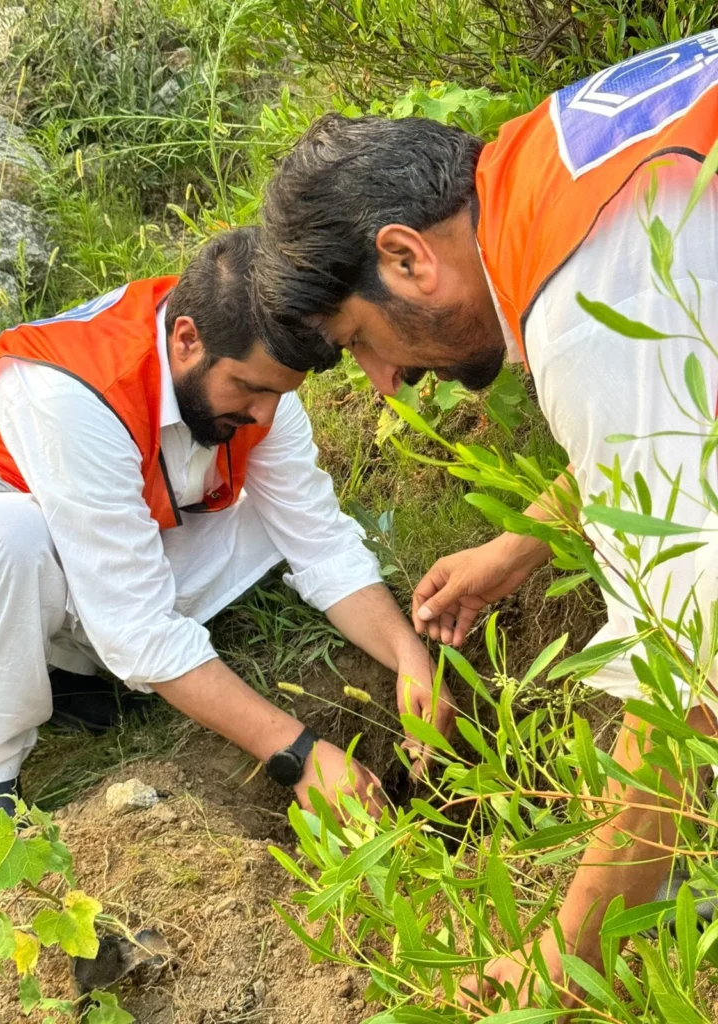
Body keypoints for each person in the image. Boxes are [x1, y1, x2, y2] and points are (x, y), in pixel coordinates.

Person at [254, 32, 718, 1006]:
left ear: (405, 255)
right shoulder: (553, 156)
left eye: (360, 344)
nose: (384, 385)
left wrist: (565, 953)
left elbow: (686, 669)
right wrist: (524, 542)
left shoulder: (586, 298)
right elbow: (691, 414)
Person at [0, 226, 454, 875]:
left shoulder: (255, 382)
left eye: (281, 393)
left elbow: (318, 538)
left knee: (272, 522)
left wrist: (410, 657)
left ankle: (72, 676)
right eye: (250, 390)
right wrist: (296, 753)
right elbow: (135, 622)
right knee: (10, 540)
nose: (266, 416)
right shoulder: (71, 394)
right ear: (186, 340)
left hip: (89, 556)